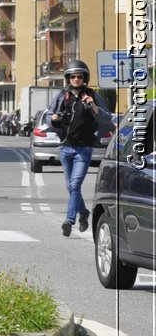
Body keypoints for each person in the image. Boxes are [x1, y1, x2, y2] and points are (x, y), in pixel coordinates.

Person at [48, 59, 103, 237]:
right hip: (65, 148)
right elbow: (50, 115)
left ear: (84, 78)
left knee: (74, 184)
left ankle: (69, 220)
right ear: (68, 79)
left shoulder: (92, 95)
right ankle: (84, 213)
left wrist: (92, 105)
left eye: (80, 76)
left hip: (84, 149)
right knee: (71, 187)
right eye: (73, 77)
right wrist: (54, 118)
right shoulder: (62, 96)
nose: (76, 79)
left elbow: (106, 117)